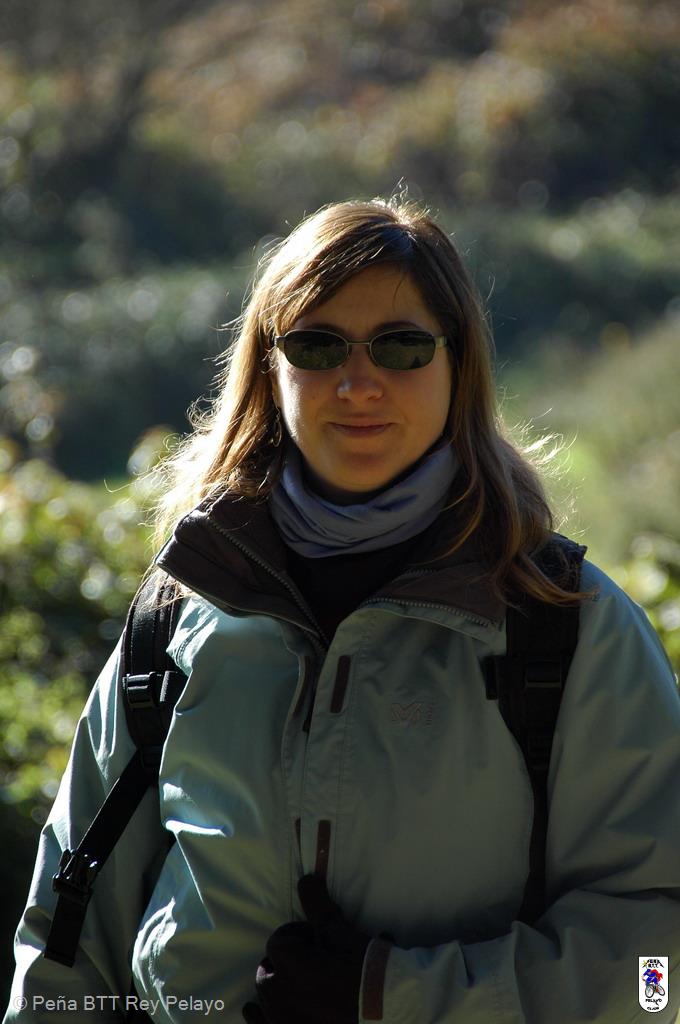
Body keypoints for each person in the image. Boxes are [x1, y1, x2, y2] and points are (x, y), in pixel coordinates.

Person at [5, 197, 680, 1024]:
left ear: (459, 365)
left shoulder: (571, 628)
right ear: (269, 367)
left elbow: (659, 971)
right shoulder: (181, 614)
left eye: (402, 346)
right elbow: (66, 940)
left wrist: (391, 997)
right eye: (317, 346)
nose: (358, 383)